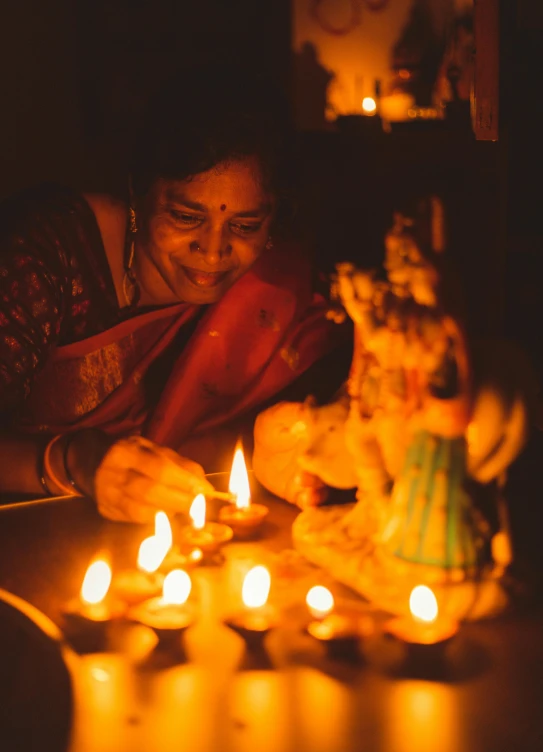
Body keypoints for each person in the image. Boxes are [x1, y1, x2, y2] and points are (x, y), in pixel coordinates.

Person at [0, 66, 347, 521]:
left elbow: (324, 409)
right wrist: (70, 461)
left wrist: (289, 449)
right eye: (186, 217)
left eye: (245, 226)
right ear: (138, 192)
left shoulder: (279, 287)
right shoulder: (48, 254)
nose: (213, 249)